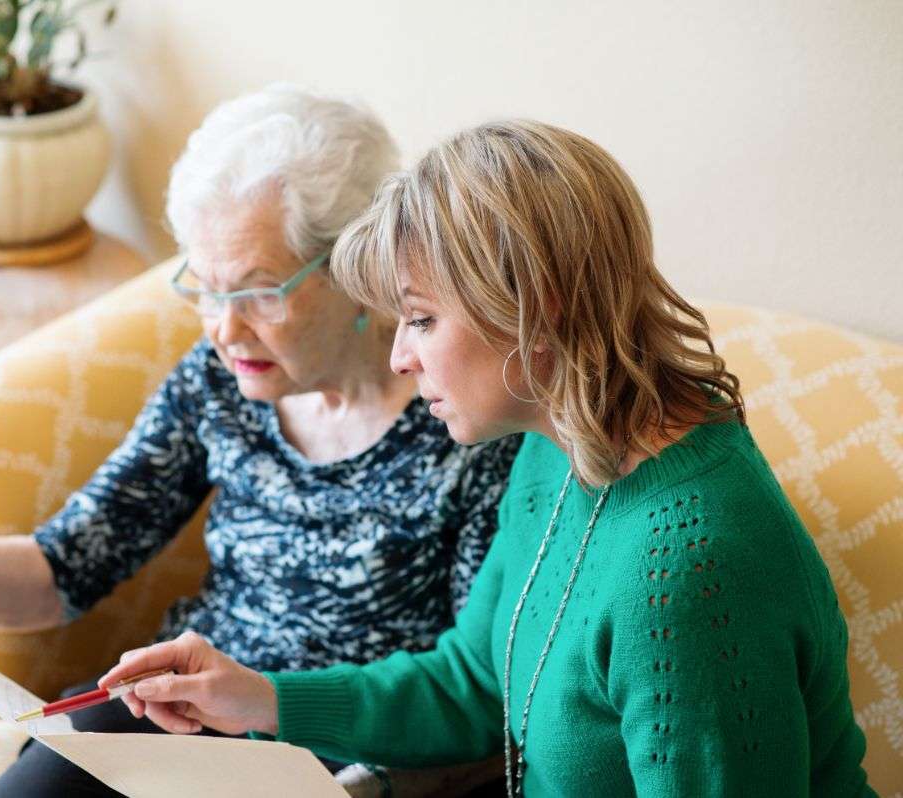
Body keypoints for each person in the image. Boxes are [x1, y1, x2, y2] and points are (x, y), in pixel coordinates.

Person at [100, 120, 877, 797]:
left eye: (422, 319)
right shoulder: (555, 445)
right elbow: (472, 684)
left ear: (537, 309)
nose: (401, 356)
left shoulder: (686, 573)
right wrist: (259, 698)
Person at [0, 86, 519, 796]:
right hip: (179, 714)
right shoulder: (220, 381)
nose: (223, 328)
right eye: (206, 290)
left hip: (348, 752)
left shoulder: (462, 422)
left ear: (359, 264)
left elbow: (470, 695)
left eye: (257, 292)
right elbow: (65, 568)